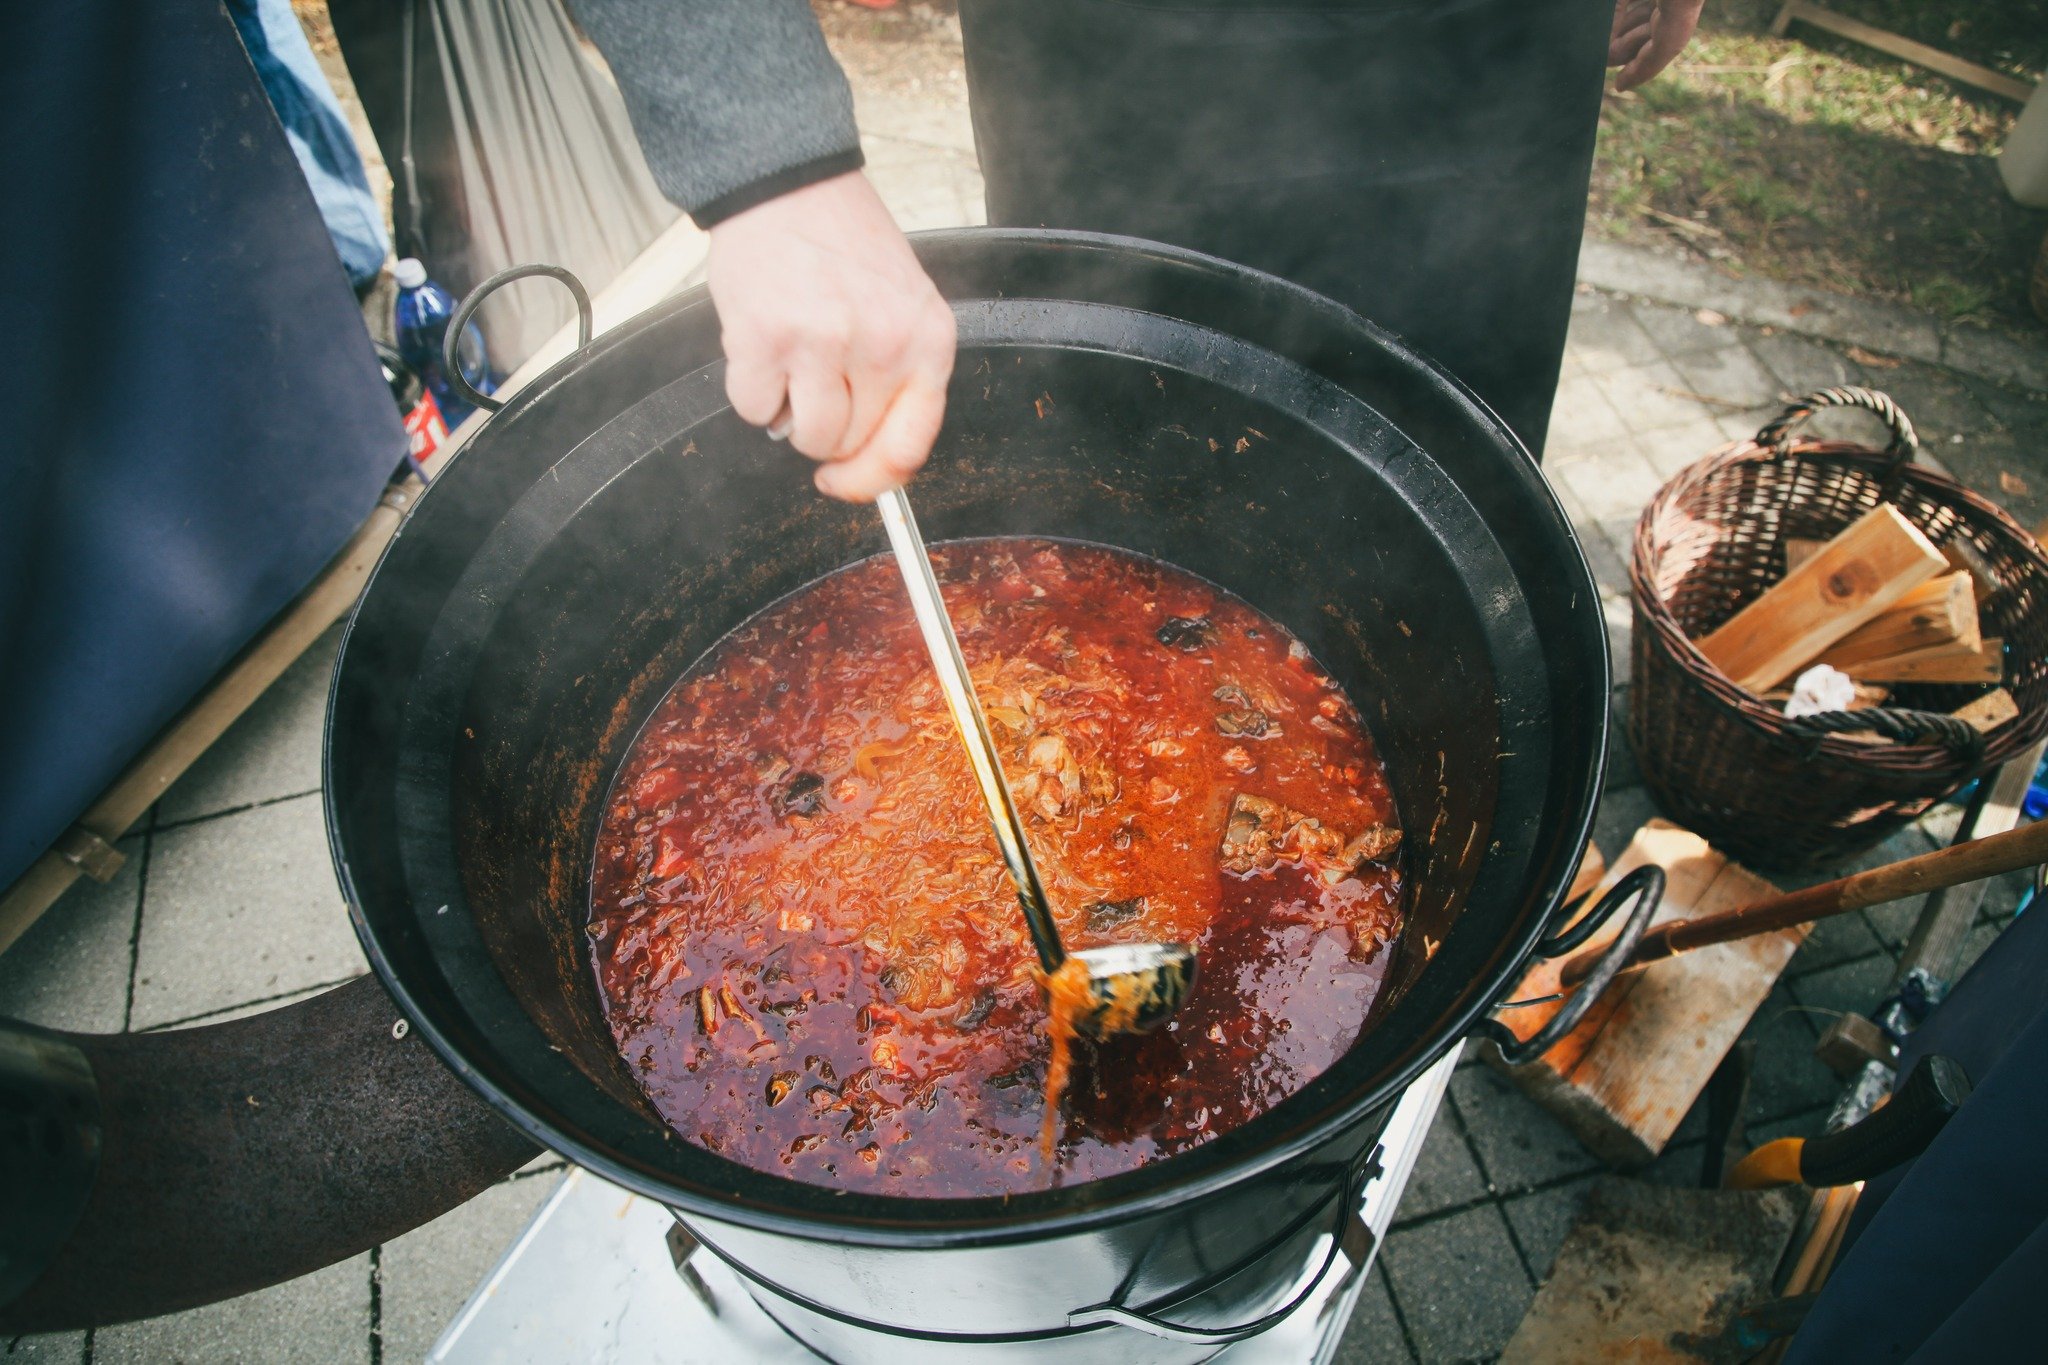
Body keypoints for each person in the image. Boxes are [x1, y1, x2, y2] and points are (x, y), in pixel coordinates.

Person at [571, 0, 1703, 503]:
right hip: (1113, 50)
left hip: (1486, 46)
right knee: (1100, 442)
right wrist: (767, 158)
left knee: (1450, 476)